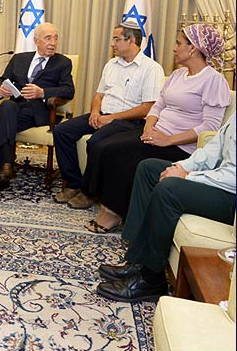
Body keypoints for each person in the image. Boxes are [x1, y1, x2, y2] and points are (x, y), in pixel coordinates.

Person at [79, 23, 231, 233]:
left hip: (181, 146)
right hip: (155, 135)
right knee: (104, 146)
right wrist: (148, 128)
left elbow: (210, 128)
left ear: (193, 48)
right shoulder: (178, 75)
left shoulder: (214, 80)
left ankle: (114, 213)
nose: (174, 48)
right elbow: (157, 105)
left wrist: (167, 139)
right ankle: (109, 205)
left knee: (119, 153)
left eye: (178, 43)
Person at [96, 112, 235, 302]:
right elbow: (212, 151)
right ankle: (138, 259)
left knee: (169, 189)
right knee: (149, 169)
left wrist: (187, 177)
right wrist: (179, 167)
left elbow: (233, 177)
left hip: (231, 198)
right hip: (221, 183)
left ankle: (151, 279)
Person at [53, 22, 164, 205]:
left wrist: (110, 118)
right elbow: (99, 95)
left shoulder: (151, 68)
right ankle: (74, 183)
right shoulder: (111, 64)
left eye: (116, 39)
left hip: (129, 121)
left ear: (132, 41)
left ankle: (90, 192)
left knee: (96, 142)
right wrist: (95, 113)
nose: (112, 43)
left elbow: (147, 108)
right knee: (62, 131)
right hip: (103, 114)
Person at [0, 22, 75, 193]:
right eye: (48, 38)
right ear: (36, 41)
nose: (53, 42)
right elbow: (0, 81)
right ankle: (6, 166)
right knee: (7, 107)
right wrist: (0, 88)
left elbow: (69, 90)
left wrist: (42, 92)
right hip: (16, 107)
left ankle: (1, 170)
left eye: (55, 38)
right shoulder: (19, 59)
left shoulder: (62, 63)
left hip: (40, 111)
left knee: (4, 115)